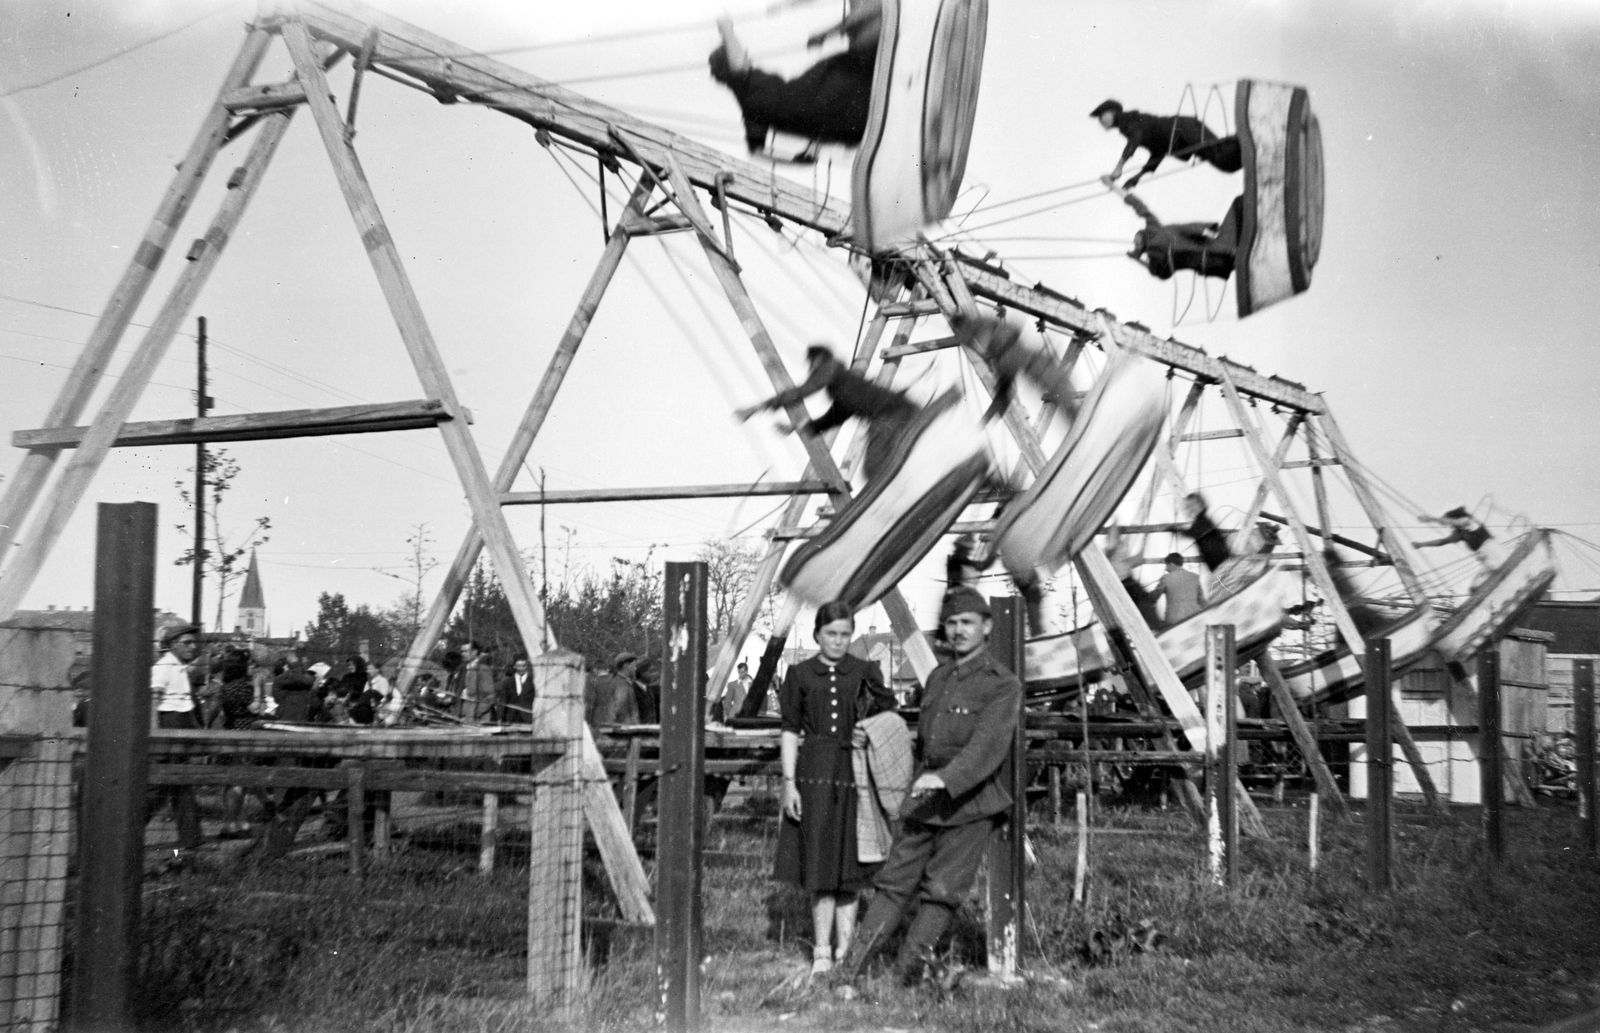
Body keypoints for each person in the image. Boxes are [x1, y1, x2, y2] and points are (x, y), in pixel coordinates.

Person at [836, 586, 1023, 987]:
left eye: (967, 622)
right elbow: (927, 741)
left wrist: (946, 779)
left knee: (941, 891)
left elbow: (987, 746)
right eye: (952, 623)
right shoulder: (938, 677)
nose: (958, 631)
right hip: (924, 800)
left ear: (987, 626)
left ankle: (904, 977)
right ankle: (850, 971)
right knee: (892, 884)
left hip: (969, 803)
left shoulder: (1002, 684)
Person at [776, 601, 899, 977]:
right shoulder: (799, 674)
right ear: (817, 634)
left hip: (855, 775)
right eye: (831, 634)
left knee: (851, 866)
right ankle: (821, 951)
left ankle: (846, 950)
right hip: (813, 775)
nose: (838, 641)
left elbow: (889, 714)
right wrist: (789, 784)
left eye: (845, 634)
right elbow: (789, 731)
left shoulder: (864, 671)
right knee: (819, 864)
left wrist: (869, 730)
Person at [709, 1, 882, 154]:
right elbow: (738, 66)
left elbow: (756, 150)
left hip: (837, 120)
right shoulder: (746, 85)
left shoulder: (750, 111)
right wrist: (726, 28)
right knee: (875, 25)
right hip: (830, 96)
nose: (747, 56)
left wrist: (800, 156)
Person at [735, 343, 919, 483]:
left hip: (890, 416)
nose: (812, 371)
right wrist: (798, 427)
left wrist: (758, 407)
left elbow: (803, 391)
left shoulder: (830, 366)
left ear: (818, 359)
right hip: (903, 411)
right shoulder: (845, 387)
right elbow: (834, 417)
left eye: (812, 365)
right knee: (893, 464)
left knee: (874, 470)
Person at [1090, 98, 1242, 188]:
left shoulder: (1129, 122)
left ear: (1112, 112)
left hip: (1183, 130)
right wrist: (1138, 176)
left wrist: (1119, 168)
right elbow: (1158, 150)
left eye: (1101, 116)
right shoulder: (1129, 125)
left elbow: (1135, 139)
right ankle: (1242, 146)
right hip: (1183, 135)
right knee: (1226, 164)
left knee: (1221, 155)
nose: (1100, 121)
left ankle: (1242, 140)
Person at [148, 623, 203, 850]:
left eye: (194, 642)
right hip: (168, 725)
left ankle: (191, 836)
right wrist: (155, 735)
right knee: (166, 783)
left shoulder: (179, 667)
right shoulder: (164, 666)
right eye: (186, 643)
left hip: (180, 723)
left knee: (180, 781)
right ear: (172, 644)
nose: (193, 647)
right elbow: (153, 701)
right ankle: (129, 827)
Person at [1121, 190, 1242, 281]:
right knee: (1239, 203)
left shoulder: (1154, 229)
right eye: (1136, 243)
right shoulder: (1155, 255)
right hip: (1214, 255)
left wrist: (1115, 188)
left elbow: (1139, 206)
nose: (1135, 241)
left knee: (1239, 202)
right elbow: (1159, 272)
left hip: (1215, 243)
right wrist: (1137, 259)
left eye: (1136, 239)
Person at [586, 653, 642, 728]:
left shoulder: (618, 682)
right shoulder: (621, 684)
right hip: (622, 729)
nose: (635, 669)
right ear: (626, 666)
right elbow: (620, 710)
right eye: (633, 666)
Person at [1153, 553, 1205, 626]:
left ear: (1171, 564)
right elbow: (1202, 600)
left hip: (1175, 621)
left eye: (1166, 565)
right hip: (1194, 619)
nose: (1166, 569)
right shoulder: (1195, 577)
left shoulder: (1166, 578)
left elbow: (1154, 596)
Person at [500, 656, 535, 725]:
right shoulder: (508, 682)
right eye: (519, 666)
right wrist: (500, 717)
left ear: (527, 666)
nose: (521, 668)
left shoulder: (533, 682)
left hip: (528, 718)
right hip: (511, 718)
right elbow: (503, 700)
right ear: (515, 666)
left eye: (523, 666)